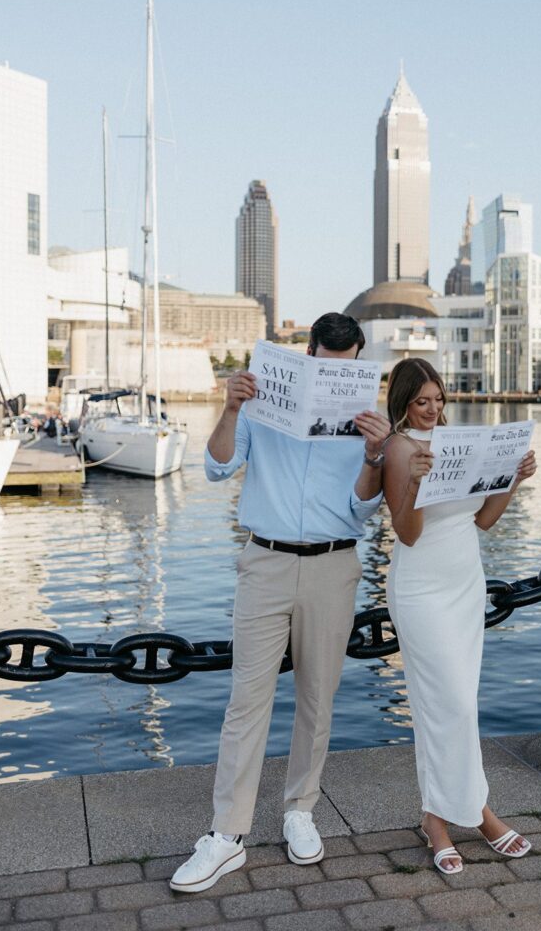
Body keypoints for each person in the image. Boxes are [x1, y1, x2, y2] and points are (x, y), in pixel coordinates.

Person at [171, 313, 390, 893]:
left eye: (346, 370)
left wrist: (374, 454)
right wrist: (232, 408)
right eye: (325, 365)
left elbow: (364, 509)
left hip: (334, 562)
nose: (333, 376)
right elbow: (218, 468)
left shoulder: (371, 418)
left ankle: (299, 810)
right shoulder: (261, 403)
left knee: (318, 697)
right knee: (247, 700)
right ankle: (226, 835)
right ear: (309, 352)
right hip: (263, 561)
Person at [382, 358, 537, 875]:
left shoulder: (456, 445)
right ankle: (483, 815)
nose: (432, 410)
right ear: (403, 402)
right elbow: (407, 532)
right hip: (421, 587)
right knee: (450, 705)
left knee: (454, 704)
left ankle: (436, 820)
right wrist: (413, 487)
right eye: (421, 401)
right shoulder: (399, 450)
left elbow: (485, 520)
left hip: (464, 583)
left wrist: (511, 479)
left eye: (438, 399)